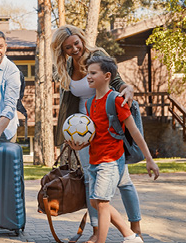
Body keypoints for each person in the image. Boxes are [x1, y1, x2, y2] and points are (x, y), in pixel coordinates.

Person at [50, 24, 141, 242]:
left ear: (81, 38)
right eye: (67, 47)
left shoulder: (97, 56)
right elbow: (67, 104)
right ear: (62, 50)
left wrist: (127, 88)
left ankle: (135, 227)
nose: (74, 49)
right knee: (90, 181)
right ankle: (96, 231)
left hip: (106, 127)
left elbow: (116, 81)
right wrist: (68, 136)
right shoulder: (63, 67)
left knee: (123, 180)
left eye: (76, 43)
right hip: (81, 131)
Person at [68, 55, 159, 243]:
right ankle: (129, 235)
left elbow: (134, 131)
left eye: (93, 73)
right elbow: (94, 135)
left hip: (110, 160)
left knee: (102, 203)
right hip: (94, 159)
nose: (89, 77)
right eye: (88, 73)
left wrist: (149, 159)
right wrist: (79, 144)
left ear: (107, 76)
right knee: (95, 201)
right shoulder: (89, 103)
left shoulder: (116, 100)